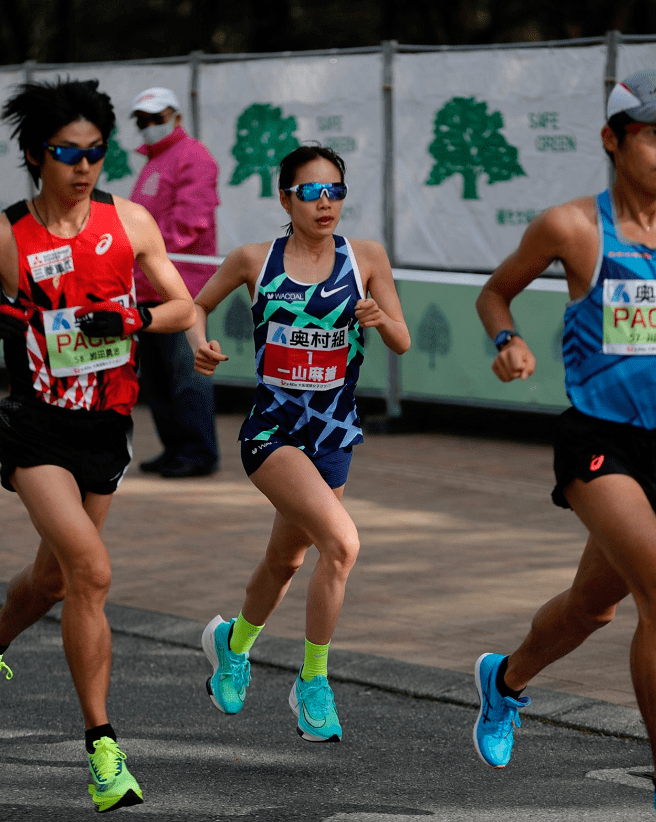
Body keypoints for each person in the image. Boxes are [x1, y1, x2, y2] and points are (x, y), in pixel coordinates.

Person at [0, 78, 196, 813]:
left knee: (54, 581)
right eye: (66, 153)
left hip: (107, 426)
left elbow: (182, 304)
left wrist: (135, 321)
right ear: (33, 156)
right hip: (34, 428)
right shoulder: (9, 236)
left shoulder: (131, 221)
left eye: (95, 153)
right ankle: (104, 752)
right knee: (92, 571)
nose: (83, 167)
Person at [473, 68, 656, 813]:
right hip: (599, 442)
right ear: (613, 140)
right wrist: (509, 340)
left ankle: (506, 679)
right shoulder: (573, 226)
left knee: (593, 605)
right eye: (651, 136)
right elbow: (494, 293)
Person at [186, 144, 410, 742]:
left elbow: (403, 340)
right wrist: (199, 345)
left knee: (286, 560)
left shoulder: (365, 259)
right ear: (285, 198)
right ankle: (312, 681)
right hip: (272, 431)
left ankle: (232, 645)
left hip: (333, 435)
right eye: (310, 192)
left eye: (335, 190)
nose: (325, 202)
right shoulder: (254, 259)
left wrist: (379, 319)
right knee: (341, 544)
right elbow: (196, 306)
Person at [129, 86, 220, 478]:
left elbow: (190, 221)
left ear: (177, 117)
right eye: (142, 120)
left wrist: (147, 255)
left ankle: (198, 453)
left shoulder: (193, 157)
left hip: (182, 288)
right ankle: (175, 449)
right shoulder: (154, 162)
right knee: (158, 376)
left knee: (186, 373)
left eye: (158, 117)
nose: (150, 126)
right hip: (149, 286)